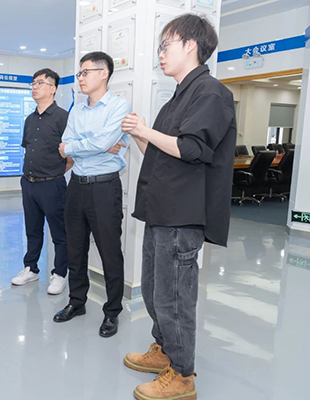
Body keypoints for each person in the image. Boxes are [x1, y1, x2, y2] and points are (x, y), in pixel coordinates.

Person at [121, 14, 236, 400]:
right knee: (155, 292)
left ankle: (183, 374)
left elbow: (191, 149)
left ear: (191, 45)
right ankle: (164, 350)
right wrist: (139, 135)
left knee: (175, 297)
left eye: (165, 45)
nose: (160, 53)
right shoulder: (177, 97)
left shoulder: (211, 94)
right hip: (161, 209)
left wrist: (145, 130)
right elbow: (161, 154)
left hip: (182, 215)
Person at [54, 51, 131, 340]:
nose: (81, 78)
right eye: (80, 73)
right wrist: (95, 144)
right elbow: (66, 143)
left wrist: (83, 145)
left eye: (85, 72)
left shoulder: (119, 106)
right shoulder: (77, 109)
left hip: (104, 187)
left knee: (110, 252)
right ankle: (77, 301)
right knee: (75, 249)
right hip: (76, 185)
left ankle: (112, 311)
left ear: (104, 73)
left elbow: (99, 142)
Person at [10, 68, 71, 294]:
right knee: (32, 230)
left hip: (52, 184)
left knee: (59, 233)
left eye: (40, 83)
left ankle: (60, 274)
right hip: (29, 183)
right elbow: (29, 150)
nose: (34, 87)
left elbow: (71, 154)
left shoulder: (63, 117)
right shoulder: (30, 119)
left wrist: (54, 172)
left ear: (53, 89)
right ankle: (31, 268)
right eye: (33, 83)